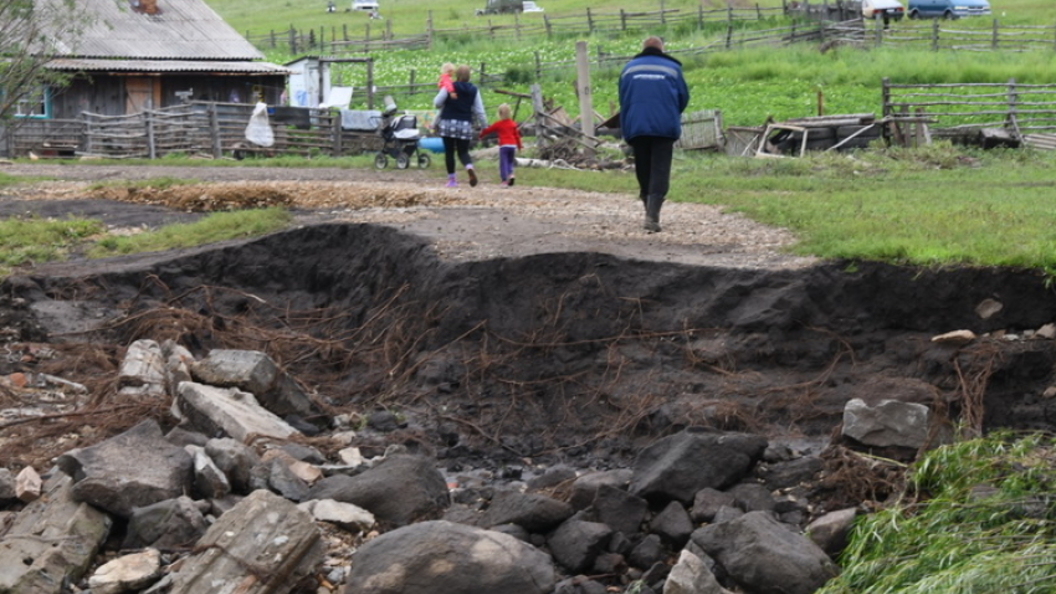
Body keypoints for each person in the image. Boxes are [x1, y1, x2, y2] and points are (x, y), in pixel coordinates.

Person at [618, 36, 690, 233]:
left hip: (637, 125)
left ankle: (647, 207)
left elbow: (623, 98)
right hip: (664, 126)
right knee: (660, 168)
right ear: (662, 49)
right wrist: (669, 112)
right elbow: (683, 98)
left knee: (643, 166)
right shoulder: (673, 69)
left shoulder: (628, 69)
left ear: (643, 49)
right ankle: (653, 214)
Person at [434, 64, 487, 188]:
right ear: (469, 76)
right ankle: (469, 167)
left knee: (449, 152)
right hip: (465, 124)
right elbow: (479, 110)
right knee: (463, 152)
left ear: (456, 75)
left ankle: (452, 180)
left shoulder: (449, 87)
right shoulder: (473, 90)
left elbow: (437, 103)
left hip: (447, 123)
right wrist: (484, 126)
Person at [479, 103, 523, 187]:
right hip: (512, 145)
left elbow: (488, 130)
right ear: (510, 113)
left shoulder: (498, 124)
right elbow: (517, 136)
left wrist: (481, 135)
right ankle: (510, 174)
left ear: (499, 113)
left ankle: (504, 181)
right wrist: (520, 146)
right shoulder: (512, 124)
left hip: (504, 146)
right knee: (510, 161)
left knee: (503, 163)